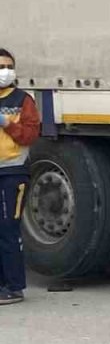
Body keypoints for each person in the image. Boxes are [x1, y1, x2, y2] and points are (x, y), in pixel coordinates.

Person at [0, 49, 39, 305]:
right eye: (1, 65)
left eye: (8, 66)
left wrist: (6, 123)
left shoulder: (23, 99)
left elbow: (29, 135)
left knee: (8, 230)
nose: (5, 71)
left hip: (12, 173)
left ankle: (13, 287)